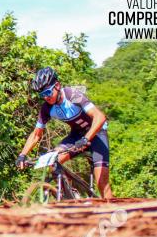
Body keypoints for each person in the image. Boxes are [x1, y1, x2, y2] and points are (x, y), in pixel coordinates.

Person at [16, 67, 113, 198]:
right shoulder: (46, 108)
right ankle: (72, 194)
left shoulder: (72, 95)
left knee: (102, 183)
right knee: (53, 161)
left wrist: (86, 139)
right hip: (77, 135)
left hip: (97, 133)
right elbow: (36, 134)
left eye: (48, 92)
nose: (46, 97)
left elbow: (100, 117)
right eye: (42, 94)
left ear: (57, 85)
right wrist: (22, 155)